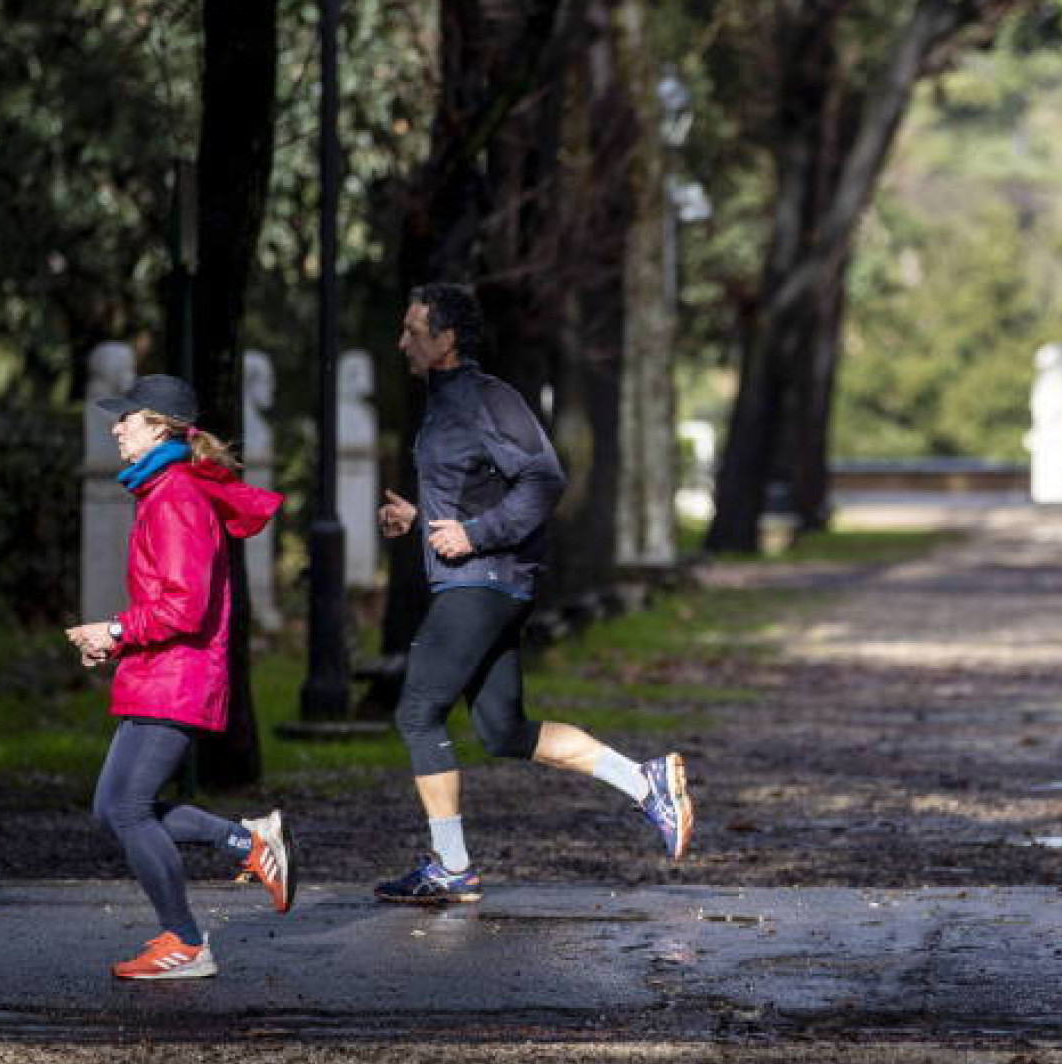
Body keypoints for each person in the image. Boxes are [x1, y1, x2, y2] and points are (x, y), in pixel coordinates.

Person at [373, 282, 694, 904]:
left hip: (484, 582)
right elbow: (475, 489)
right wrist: (420, 517)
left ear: (447, 339)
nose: (403, 341)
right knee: (502, 729)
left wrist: (474, 534)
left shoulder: (488, 398)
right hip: (483, 580)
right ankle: (644, 781)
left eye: (414, 330)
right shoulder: (444, 403)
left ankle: (451, 864)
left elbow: (543, 479)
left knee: (418, 711)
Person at [63, 374, 293, 980]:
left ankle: (186, 942)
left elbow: (184, 608)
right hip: (159, 671)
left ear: (160, 427)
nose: (115, 428)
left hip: (181, 676)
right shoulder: (163, 489)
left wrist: (114, 631)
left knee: (130, 810)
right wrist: (113, 642)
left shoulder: (176, 498)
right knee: (113, 809)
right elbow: (168, 603)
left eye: (127, 419)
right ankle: (248, 844)